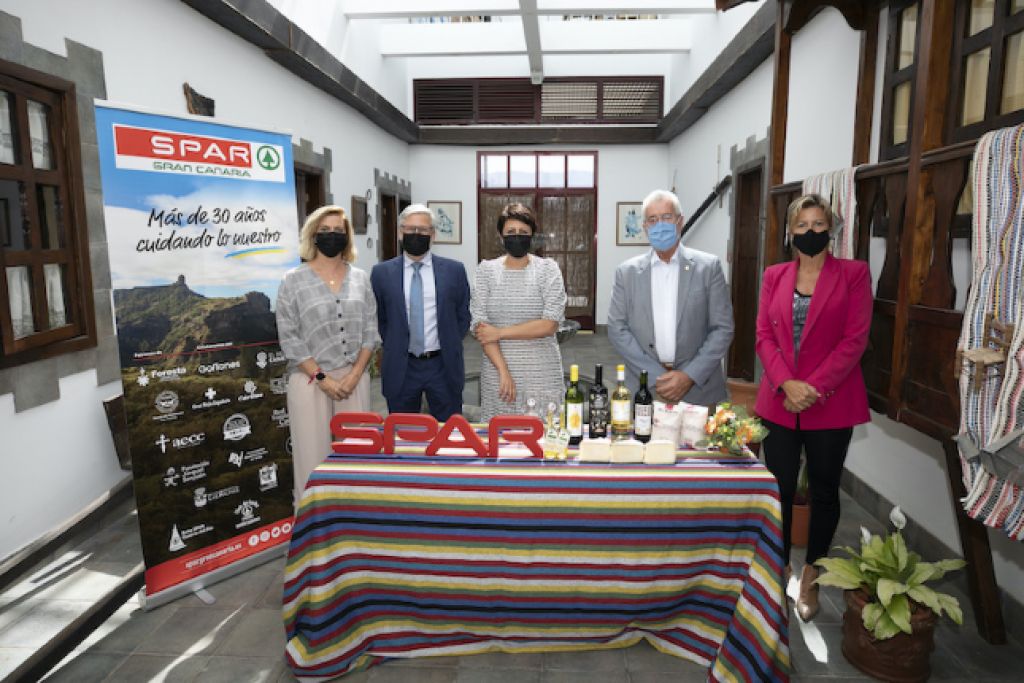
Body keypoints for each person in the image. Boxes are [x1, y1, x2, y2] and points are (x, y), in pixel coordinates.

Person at [754, 193, 872, 622]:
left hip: (831, 401)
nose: (810, 232)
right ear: (790, 232)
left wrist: (812, 388)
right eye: (802, 225)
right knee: (780, 488)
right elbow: (764, 335)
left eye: (818, 224)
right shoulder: (774, 275)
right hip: (780, 399)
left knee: (823, 489)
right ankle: (780, 568)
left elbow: (855, 340)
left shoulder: (854, 274)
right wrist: (787, 383)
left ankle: (812, 575)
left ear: (831, 229)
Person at [276, 205, 379, 505]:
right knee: (311, 461)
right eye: (325, 231)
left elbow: (371, 330)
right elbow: (290, 338)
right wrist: (322, 378)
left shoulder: (361, 278)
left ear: (347, 237)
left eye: (338, 231)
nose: (332, 236)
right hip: (310, 379)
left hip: (354, 378)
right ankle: (312, 524)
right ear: (313, 235)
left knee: (359, 456)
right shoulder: (292, 280)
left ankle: (356, 521)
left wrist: (355, 374)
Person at [608, 189, 734, 406]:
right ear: (645, 227)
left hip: (699, 389)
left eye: (666, 217)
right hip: (645, 387)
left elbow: (722, 328)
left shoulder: (708, 268)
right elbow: (617, 328)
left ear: (680, 221)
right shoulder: (626, 273)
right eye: (652, 220)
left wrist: (688, 376)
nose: (659, 225)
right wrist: (657, 377)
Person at [370, 204, 471, 421]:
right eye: (410, 228)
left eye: (423, 229)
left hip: (442, 364)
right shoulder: (381, 273)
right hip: (402, 365)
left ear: (432, 234)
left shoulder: (454, 270)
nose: (416, 234)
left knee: (449, 430)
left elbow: (463, 315)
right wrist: (395, 342)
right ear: (400, 232)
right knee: (403, 431)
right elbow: (380, 318)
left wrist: (449, 339)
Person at [471, 203, 566, 421]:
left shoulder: (548, 270)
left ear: (532, 236)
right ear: (500, 236)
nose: (517, 236)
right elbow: (482, 329)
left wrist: (499, 332)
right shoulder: (486, 271)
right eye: (511, 232)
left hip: (542, 373)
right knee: (499, 435)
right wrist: (503, 371)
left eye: (523, 232)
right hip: (498, 375)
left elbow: (550, 323)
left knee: (544, 434)